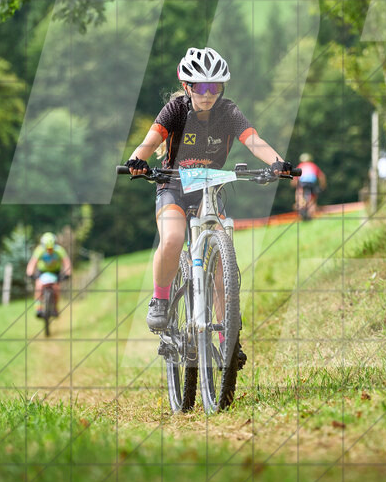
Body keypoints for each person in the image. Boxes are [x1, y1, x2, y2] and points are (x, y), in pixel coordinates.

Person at [123, 47, 293, 352]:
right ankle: (160, 299)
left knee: (219, 268)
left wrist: (277, 162)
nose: (208, 94)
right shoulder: (175, 110)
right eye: (201, 87)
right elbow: (151, 141)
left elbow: (254, 140)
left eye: (215, 87)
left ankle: (228, 339)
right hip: (172, 186)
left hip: (209, 189)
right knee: (173, 239)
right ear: (188, 86)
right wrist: (137, 159)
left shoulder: (228, 112)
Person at [26, 232, 72, 318]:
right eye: (47, 249)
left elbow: (66, 262)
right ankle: (38, 308)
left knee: (56, 288)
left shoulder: (59, 250)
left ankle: (55, 307)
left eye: (51, 249)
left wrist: (68, 273)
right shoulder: (39, 250)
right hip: (42, 271)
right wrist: (30, 273)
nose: (49, 251)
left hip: (55, 271)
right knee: (39, 285)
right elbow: (32, 263)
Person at [293, 152, 327, 219]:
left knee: (299, 194)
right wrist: (323, 186)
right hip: (311, 184)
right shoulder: (313, 165)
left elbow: (295, 178)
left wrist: (294, 185)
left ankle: (300, 206)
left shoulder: (300, 165)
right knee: (313, 199)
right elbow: (322, 176)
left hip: (302, 183)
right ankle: (312, 214)